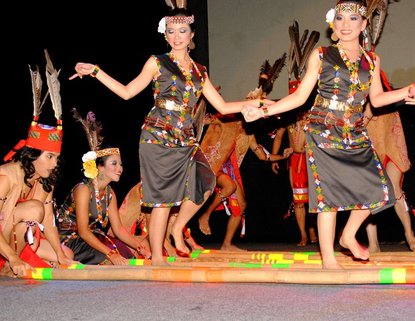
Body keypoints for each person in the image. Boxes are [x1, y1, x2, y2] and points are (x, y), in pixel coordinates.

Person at [69, 8, 266, 265]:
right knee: (162, 199)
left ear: (191, 35)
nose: (176, 37)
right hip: (157, 136)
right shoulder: (157, 62)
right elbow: (128, 92)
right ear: (165, 35)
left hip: (185, 137)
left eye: (182, 31)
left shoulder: (200, 71)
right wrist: (96, 71)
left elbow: (224, 107)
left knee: (206, 183)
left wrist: (259, 104)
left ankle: (177, 228)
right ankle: (159, 258)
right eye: (171, 32)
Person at [242, 0, 415, 269]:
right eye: (340, 18)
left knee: (381, 188)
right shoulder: (323, 54)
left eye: (353, 19)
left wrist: (408, 90)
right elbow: (300, 97)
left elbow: (377, 99)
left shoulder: (371, 60)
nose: (346, 24)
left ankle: (348, 235)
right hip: (323, 130)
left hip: (356, 132)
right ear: (333, 26)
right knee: (327, 197)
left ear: (363, 25)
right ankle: (328, 259)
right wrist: (264, 111)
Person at [0, 54, 74, 272]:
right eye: (49, 157)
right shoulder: (5, 177)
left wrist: (60, 256)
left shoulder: (45, 179)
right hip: (5, 237)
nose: (54, 164)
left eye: (56, 158)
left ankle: (19, 260)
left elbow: (49, 218)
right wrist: (13, 257)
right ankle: (9, 264)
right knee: (33, 209)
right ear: (32, 155)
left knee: (67, 254)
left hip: (18, 233)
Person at [57, 111, 151, 265]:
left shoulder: (110, 193)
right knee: (111, 258)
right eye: (114, 164)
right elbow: (83, 231)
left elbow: (119, 229)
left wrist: (140, 248)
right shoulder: (83, 190)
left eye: (120, 164)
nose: (120, 168)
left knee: (128, 254)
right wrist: (110, 253)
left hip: (91, 236)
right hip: (71, 238)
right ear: (100, 167)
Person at [198, 113, 292, 251]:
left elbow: (263, 156)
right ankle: (205, 215)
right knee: (230, 186)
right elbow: (205, 120)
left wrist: (282, 157)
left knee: (241, 205)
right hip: (212, 165)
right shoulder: (228, 120)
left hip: (229, 169)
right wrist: (206, 118)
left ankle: (226, 245)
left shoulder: (249, 135)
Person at [363, 99, 415, 253]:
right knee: (369, 196)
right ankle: (373, 244)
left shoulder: (384, 98)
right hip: (370, 151)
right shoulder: (356, 100)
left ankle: (409, 235)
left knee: (395, 188)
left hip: (391, 148)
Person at [271, 109, 318, 246]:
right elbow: (279, 136)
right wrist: (274, 158)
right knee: (298, 200)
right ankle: (303, 235)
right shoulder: (288, 117)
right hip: (295, 161)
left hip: (312, 160)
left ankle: (311, 229)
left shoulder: (312, 114)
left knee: (313, 199)